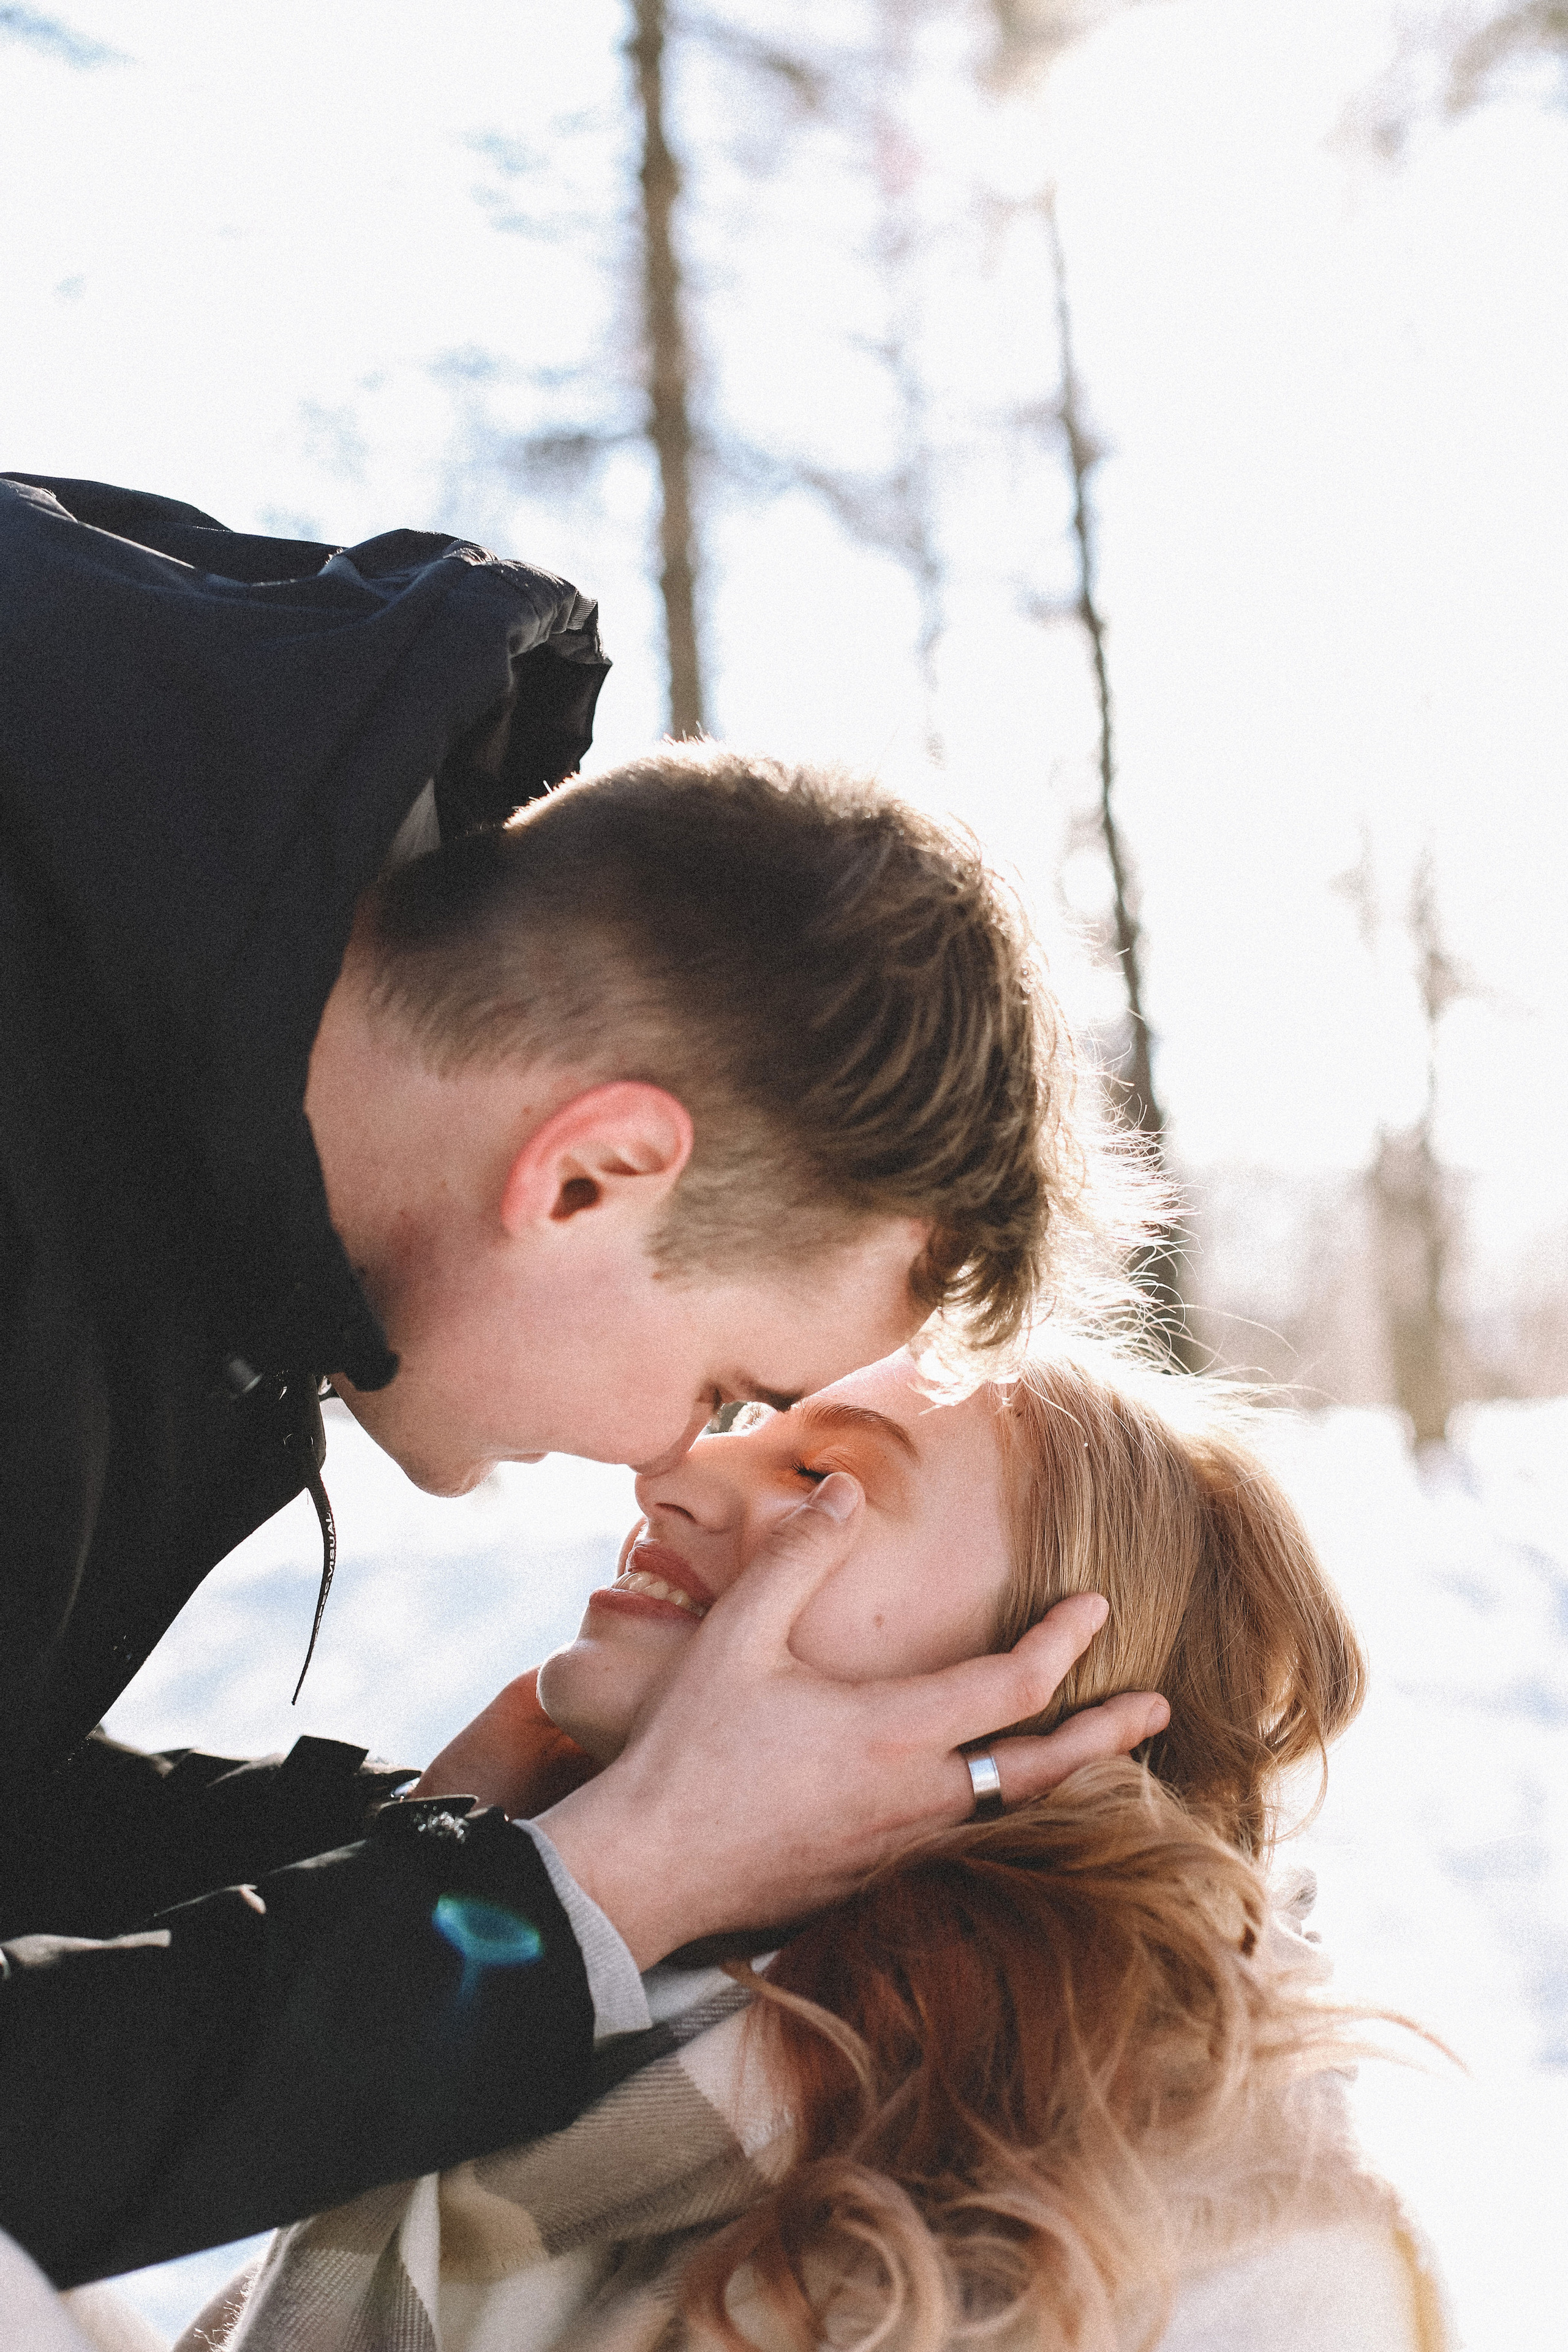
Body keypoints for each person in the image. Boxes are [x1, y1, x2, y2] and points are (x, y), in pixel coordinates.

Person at [0, 477, 1158, 2290]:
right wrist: (608, 1892)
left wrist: (435, 1854)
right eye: (724, 1390)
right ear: (591, 1174)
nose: (665, 1473)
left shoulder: (169, 1147)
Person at [190, 1344, 1455, 2352]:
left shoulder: (1210, 2245)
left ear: (1038, 1699)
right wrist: (433, 1869)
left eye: (825, 1484)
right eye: (750, 1424)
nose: (669, 1476)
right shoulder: (569, 2012)